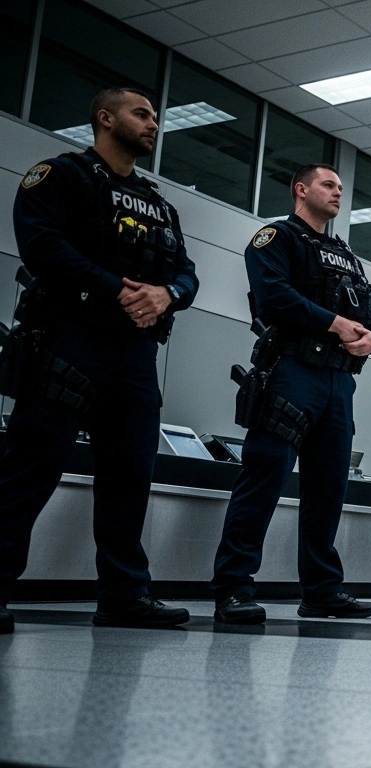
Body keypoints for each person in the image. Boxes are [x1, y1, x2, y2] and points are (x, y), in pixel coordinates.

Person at [1, 87, 199, 634]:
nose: (154, 123)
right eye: (142, 114)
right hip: (69, 340)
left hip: (134, 355)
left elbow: (186, 272)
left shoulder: (159, 202)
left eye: (157, 115)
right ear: (104, 118)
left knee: (130, 477)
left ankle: (123, 595)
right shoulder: (60, 176)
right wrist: (120, 289)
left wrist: (167, 296)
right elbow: (41, 246)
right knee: (30, 468)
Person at [211, 163, 371, 624]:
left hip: (337, 381)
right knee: (263, 481)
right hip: (291, 371)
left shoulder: (345, 254)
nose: (338, 192)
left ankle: (322, 590)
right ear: (301, 190)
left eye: (341, 187)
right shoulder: (276, 238)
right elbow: (273, 296)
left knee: (328, 489)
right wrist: (336, 324)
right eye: (329, 184)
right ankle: (234, 587)